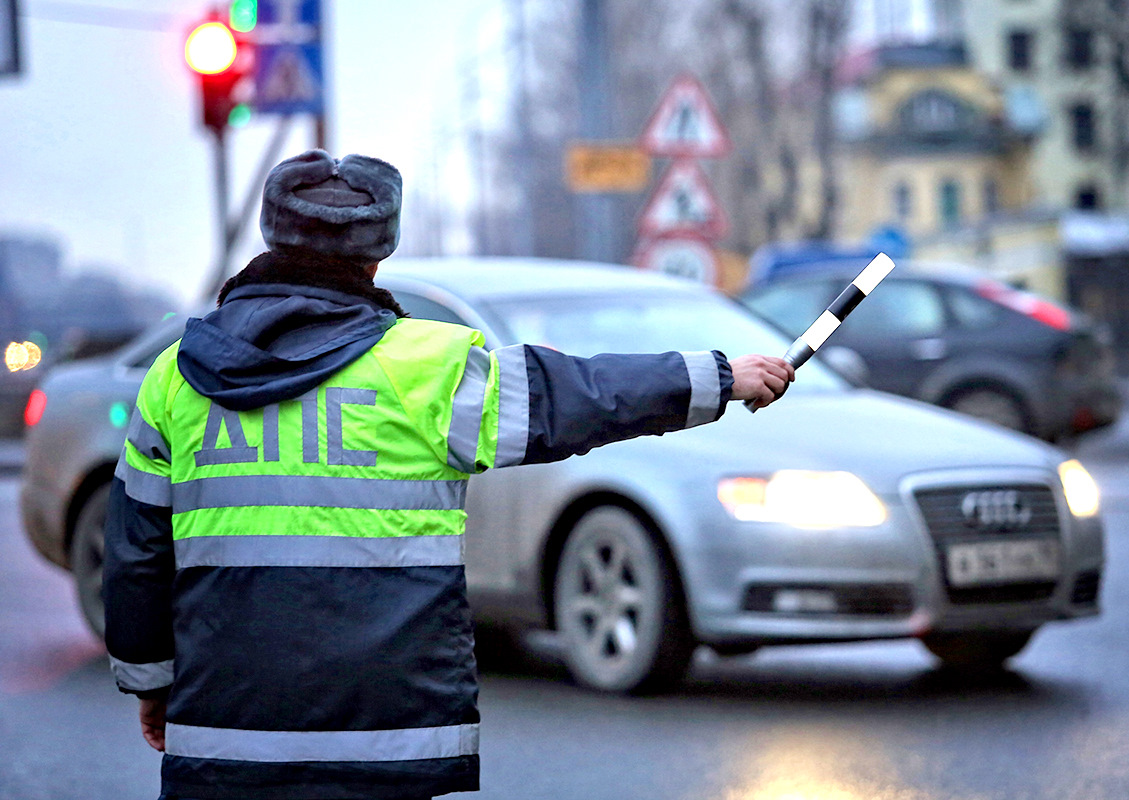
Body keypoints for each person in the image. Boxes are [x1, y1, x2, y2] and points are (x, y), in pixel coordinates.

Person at [103, 149, 794, 800]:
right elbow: (575, 395)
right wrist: (716, 376)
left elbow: (136, 558)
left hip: (225, 737)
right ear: (378, 254)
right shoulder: (428, 367)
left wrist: (152, 683)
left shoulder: (175, 381)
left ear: (271, 238)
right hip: (388, 737)